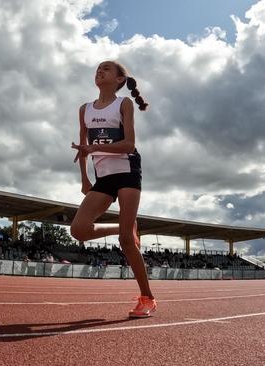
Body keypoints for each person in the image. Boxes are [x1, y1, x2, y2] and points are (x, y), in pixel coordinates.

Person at [70, 60, 155, 318]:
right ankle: (124, 225)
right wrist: (85, 179)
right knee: (79, 230)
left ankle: (147, 298)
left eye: (106, 69)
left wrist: (94, 148)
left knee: (126, 242)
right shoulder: (85, 109)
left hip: (128, 171)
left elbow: (129, 144)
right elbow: (82, 148)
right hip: (103, 177)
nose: (100, 71)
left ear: (119, 79)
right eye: (98, 68)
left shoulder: (123, 104)